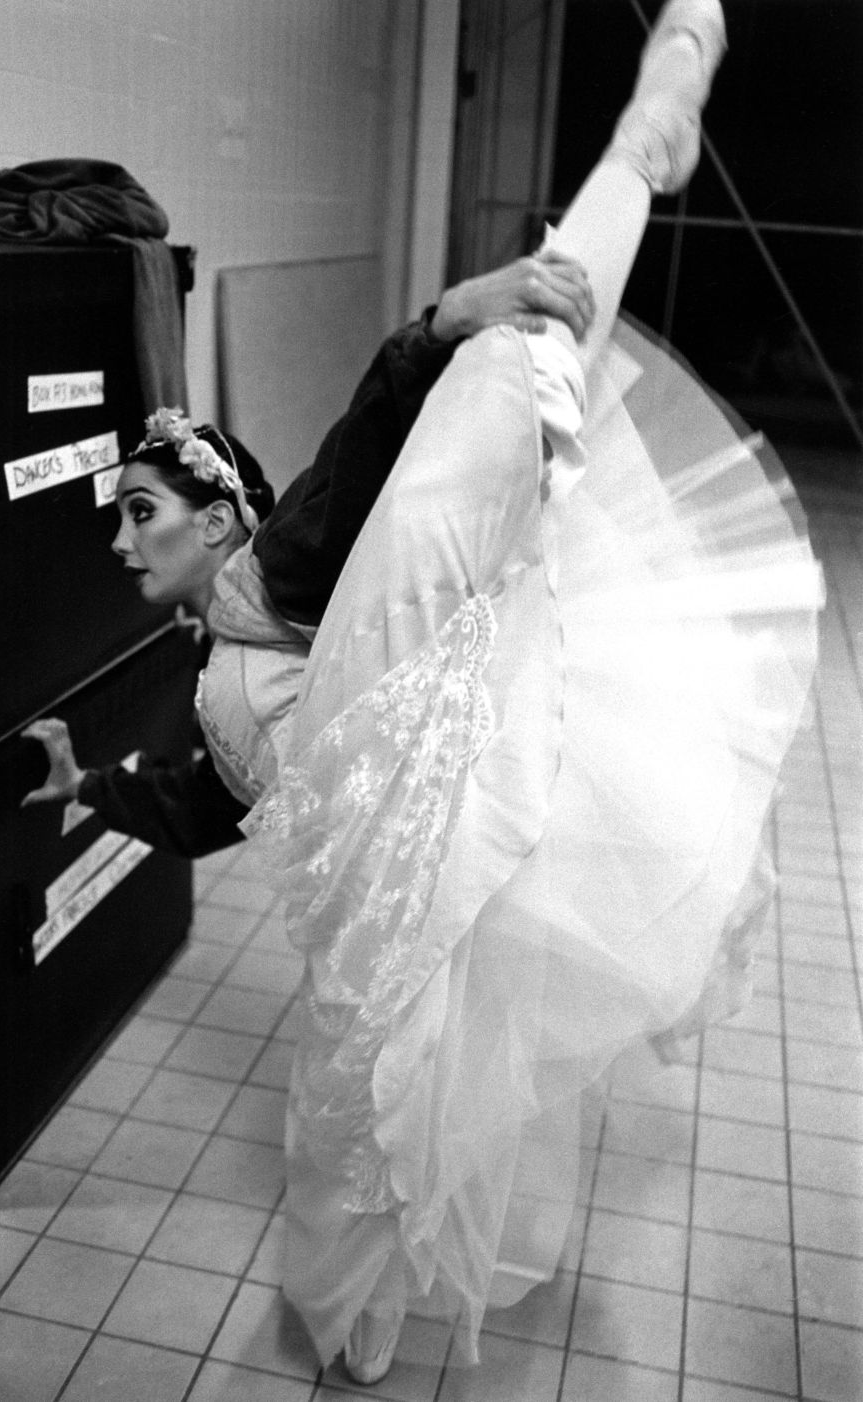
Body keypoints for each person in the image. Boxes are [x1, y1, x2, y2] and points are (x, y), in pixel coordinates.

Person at [201, 0, 822, 1385]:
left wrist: (448, 315)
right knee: (384, 1026)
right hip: (400, 678)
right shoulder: (462, 452)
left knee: (379, 1029)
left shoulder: (457, 437)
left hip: (401, 664)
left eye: (151, 522)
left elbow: (549, 275)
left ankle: (357, 1311)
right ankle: (361, 1302)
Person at [21, 252, 597, 853]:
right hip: (395, 891)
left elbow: (358, 459)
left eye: (141, 512)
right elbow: (206, 809)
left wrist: (437, 331)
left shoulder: (281, 569)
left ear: (217, 521)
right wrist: (85, 785)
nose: (119, 541)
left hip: (444, 863)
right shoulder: (234, 634)